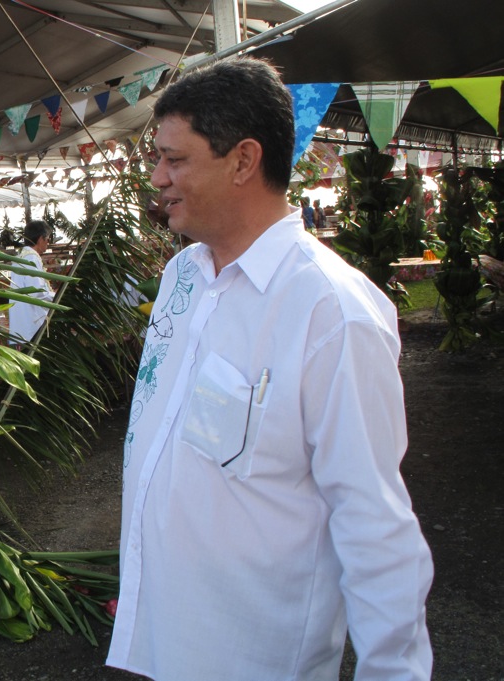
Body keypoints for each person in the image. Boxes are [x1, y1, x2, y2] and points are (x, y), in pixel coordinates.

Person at [107, 57, 433, 680]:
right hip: (163, 636)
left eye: (174, 159)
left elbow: (373, 521)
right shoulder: (182, 277)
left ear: (243, 161)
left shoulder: (330, 312)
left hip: (253, 655)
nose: (157, 177)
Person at [7, 219, 55, 344]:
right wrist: (56, 296)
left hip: (22, 321)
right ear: (40, 239)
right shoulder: (31, 258)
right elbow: (37, 292)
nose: (48, 243)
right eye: (47, 239)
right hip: (31, 324)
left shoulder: (22, 256)